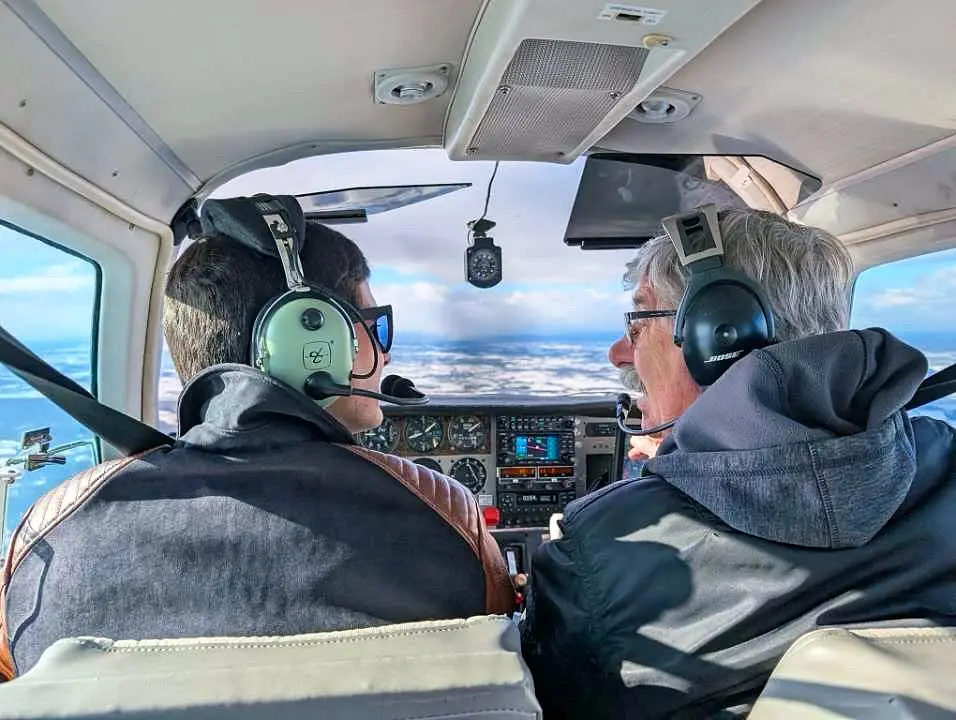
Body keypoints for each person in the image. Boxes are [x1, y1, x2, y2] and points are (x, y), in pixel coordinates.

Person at [0, 194, 514, 680]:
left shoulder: (48, 541)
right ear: (311, 340)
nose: (387, 356)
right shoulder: (443, 517)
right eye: (377, 328)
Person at [520, 206, 956, 718]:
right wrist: (694, 464)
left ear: (719, 336)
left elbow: (544, 704)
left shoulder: (595, 545)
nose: (619, 352)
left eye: (637, 324)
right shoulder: (945, 460)